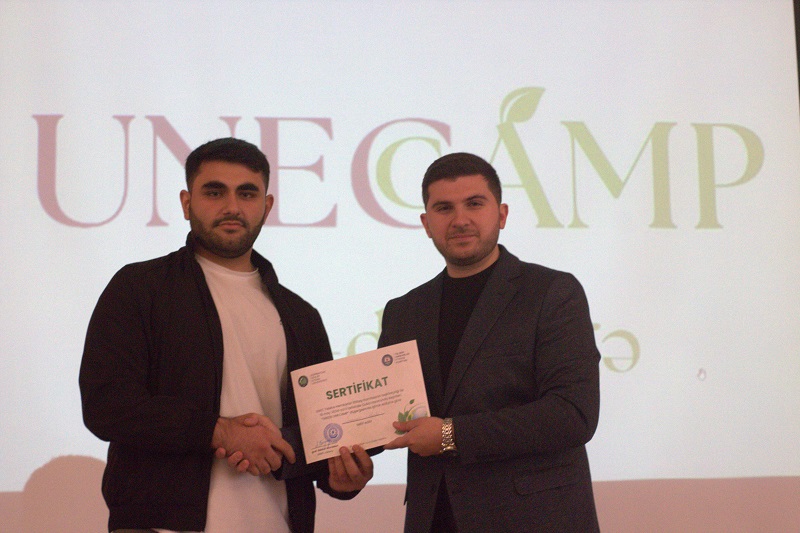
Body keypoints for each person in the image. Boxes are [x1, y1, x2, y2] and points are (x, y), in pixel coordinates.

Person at [79, 137, 373, 533]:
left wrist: (342, 479)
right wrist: (219, 431)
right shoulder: (139, 288)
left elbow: (316, 440)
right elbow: (106, 405)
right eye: (214, 192)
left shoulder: (301, 316)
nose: (232, 207)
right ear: (187, 203)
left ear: (266, 206)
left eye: (247, 194)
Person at [381, 152, 601, 532]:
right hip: (435, 520)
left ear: (501, 214)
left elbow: (572, 414)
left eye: (474, 204)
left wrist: (449, 435)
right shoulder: (404, 311)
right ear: (426, 223)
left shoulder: (552, 292)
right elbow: (383, 412)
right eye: (444, 208)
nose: (460, 219)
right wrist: (342, 460)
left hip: (534, 521)